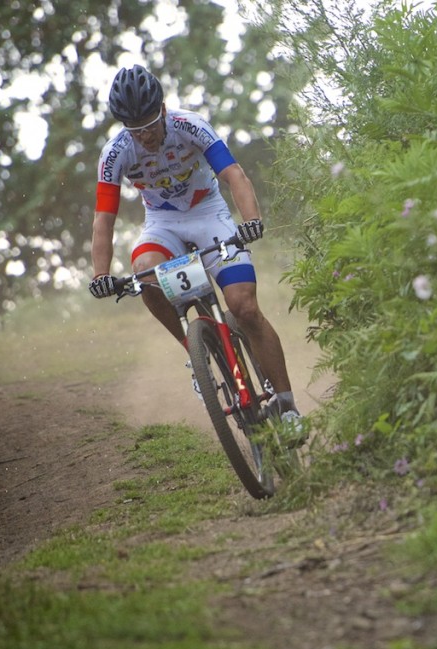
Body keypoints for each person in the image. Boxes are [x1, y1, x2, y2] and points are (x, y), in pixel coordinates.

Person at [87, 64, 304, 433]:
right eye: (135, 130)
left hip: (209, 213)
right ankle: (195, 351)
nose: (146, 136)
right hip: (162, 223)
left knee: (245, 308)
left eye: (151, 125)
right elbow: (104, 218)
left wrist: (251, 220)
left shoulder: (190, 125)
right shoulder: (115, 153)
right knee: (146, 276)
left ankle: (287, 407)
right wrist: (101, 275)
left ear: (164, 110)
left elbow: (233, 174)